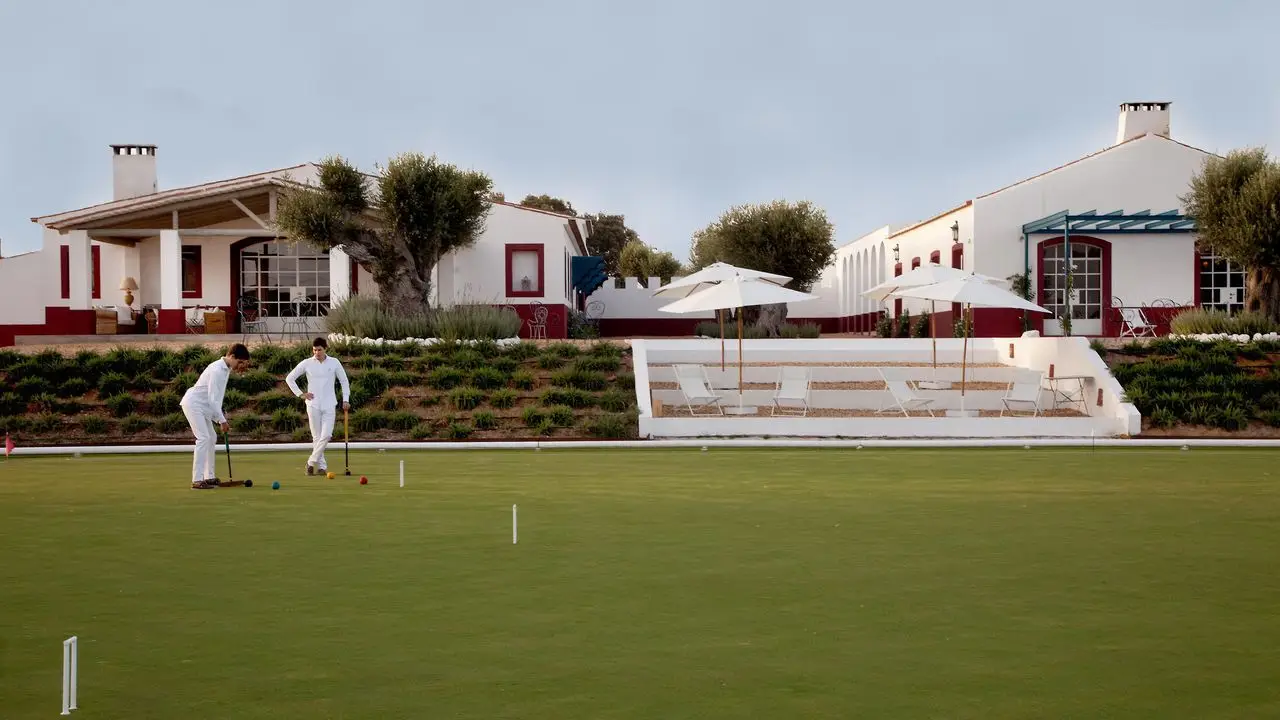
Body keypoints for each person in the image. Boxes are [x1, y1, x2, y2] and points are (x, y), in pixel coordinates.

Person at [180, 343, 252, 489]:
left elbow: (215, 399)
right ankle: (197, 480)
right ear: (231, 357)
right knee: (203, 438)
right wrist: (222, 421)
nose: (240, 366)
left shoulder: (225, 368)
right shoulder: (217, 370)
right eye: (239, 362)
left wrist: (220, 417)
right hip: (194, 404)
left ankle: (209, 477)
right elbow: (212, 399)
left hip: (203, 407)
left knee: (211, 437)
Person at [286, 337, 351, 476]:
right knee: (316, 437)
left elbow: (344, 382)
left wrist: (346, 399)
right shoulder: (307, 363)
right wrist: (300, 394)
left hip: (329, 404)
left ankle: (310, 462)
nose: (317, 352)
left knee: (326, 435)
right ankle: (322, 467)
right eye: (314, 350)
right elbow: (289, 378)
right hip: (313, 404)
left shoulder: (334, 362)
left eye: (319, 349)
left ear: (325, 349)